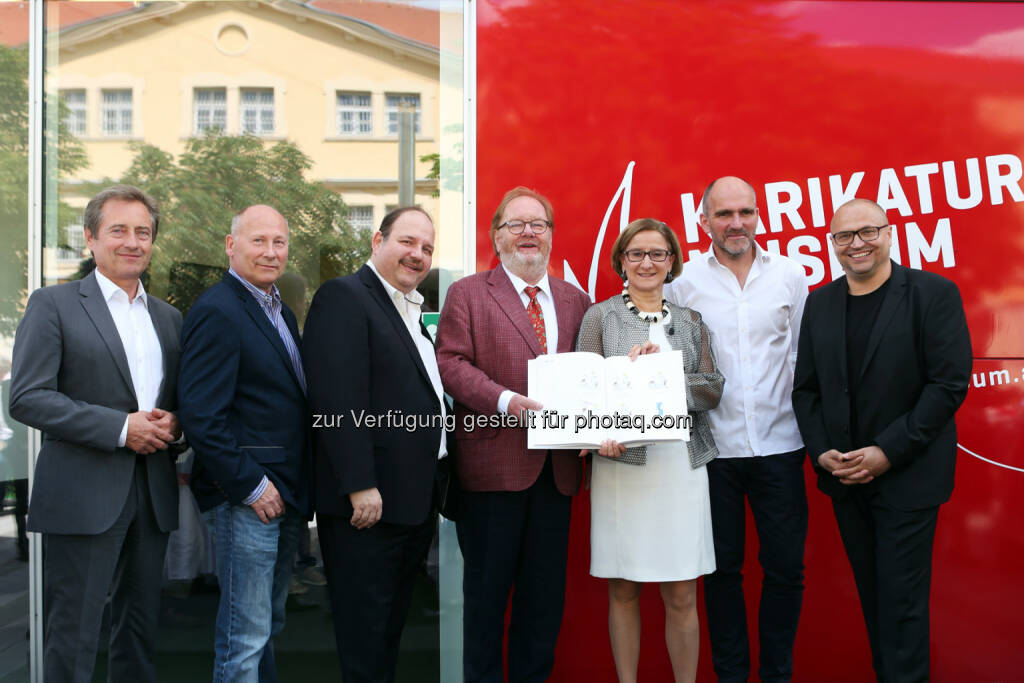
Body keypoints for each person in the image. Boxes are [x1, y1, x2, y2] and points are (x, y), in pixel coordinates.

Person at [792, 198, 971, 682]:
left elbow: (948, 384)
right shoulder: (821, 302)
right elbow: (806, 389)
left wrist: (888, 451)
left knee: (902, 606)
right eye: (844, 236)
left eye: (868, 231)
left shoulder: (933, 294)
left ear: (889, 233)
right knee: (875, 602)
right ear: (832, 245)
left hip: (909, 480)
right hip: (847, 481)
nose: (857, 244)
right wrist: (821, 450)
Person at [8, 184, 182, 682]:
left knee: (140, 632)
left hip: (152, 495)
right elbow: (28, 397)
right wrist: (117, 428)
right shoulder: (54, 304)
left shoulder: (168, 318)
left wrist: (176, 422)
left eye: (143, 232)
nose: (133, 241)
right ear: (90, 238)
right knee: (74, 635)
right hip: (83, 496)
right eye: (118, 230)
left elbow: (176, 400)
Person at [436, 186, 591, 683]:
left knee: (542, 606)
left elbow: (593, 374)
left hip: (557, 472)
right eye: (516, 225)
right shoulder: (467, 293)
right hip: (491, 473)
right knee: (485, 605)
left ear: (550, 235)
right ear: (496, 236)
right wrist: (507, 402)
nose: (528, 233)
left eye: (538, 224)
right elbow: (451, 364)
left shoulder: (575, 300)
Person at [665, 175, 810, 683]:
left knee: (786, 570)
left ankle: (776, 674)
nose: (736, 223)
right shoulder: (682, 284)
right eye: (724, 214)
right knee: (722, 572)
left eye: (745, 212)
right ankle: (731, 676)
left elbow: (799, 357)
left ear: (758, 215)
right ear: (703, 221)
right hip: (715, 451)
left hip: (782, 444)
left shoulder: (790, 277)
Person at [303, 206, 447, 682]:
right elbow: (338, 398)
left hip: (409, 504)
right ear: (376, 241)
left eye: (426, 248)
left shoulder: (409, 309)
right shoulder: (345, 297)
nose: (418, 254)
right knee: (365, 640)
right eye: (407, 242)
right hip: (368, 506)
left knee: (386, 635)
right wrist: (359, 483)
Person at [576, 218, 723, 683]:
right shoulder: (599, 317)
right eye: (636, 253)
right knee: (623, 588)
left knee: (682, 591)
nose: (646, 262)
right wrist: (600, 423)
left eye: (658, 253)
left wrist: (665, 378)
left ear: (673, 262)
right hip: (622, 465)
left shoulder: (691, 321)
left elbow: (713, 389)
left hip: (679, 468)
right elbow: (584, 391)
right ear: (621, 261)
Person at [178, 205, 311, 682]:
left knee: (265, 628)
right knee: (245, 638)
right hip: (250, 499)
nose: (271, 252)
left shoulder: (279, 310)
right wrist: (251, 486)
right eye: (259, 241)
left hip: (285, 493)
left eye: (279, 242)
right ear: (231, 246)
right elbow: (200, 415)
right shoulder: (218, 310)